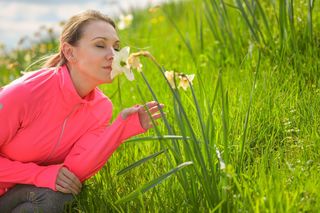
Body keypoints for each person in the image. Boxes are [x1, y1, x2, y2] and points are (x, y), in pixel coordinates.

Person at [0, 10, 163, 212]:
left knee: (60, 196)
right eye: (100, 45)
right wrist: (39, 175)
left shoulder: (102, 108)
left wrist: (121, 129)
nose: (113, 55)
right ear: (70, 52)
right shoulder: (25, 93)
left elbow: (74, 174)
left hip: (23, 195)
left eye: (116, 47)